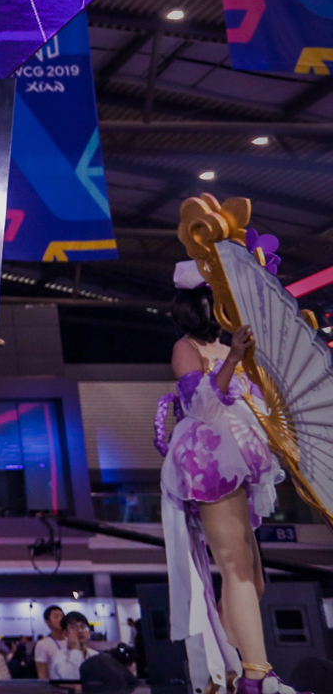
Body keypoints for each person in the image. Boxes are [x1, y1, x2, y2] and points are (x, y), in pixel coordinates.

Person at [158, 262, 295, 694]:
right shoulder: (186, 347)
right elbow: (201, 404)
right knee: (237, 571)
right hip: (210, 462)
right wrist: (234, 357)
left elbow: (258, 406)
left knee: (253, 580)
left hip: (241, 462)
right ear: (201, 304)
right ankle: (256, 674)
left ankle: (228, 671)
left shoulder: (227, 348)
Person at [49, 611, 99, 681]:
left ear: (89, 632)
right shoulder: (59, 656)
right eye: (73, 627)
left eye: (83, 626)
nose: (80, 631)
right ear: (65, 633)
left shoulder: (96, 655)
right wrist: (75, 650)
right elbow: (71, 680)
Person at [35, 605, 68, 680]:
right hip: (55, 685)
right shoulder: (42, 644)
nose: (61, 619)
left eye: (62, 616)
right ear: (48, 622)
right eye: (56, 617)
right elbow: (42, 675)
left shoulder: (71, 641)